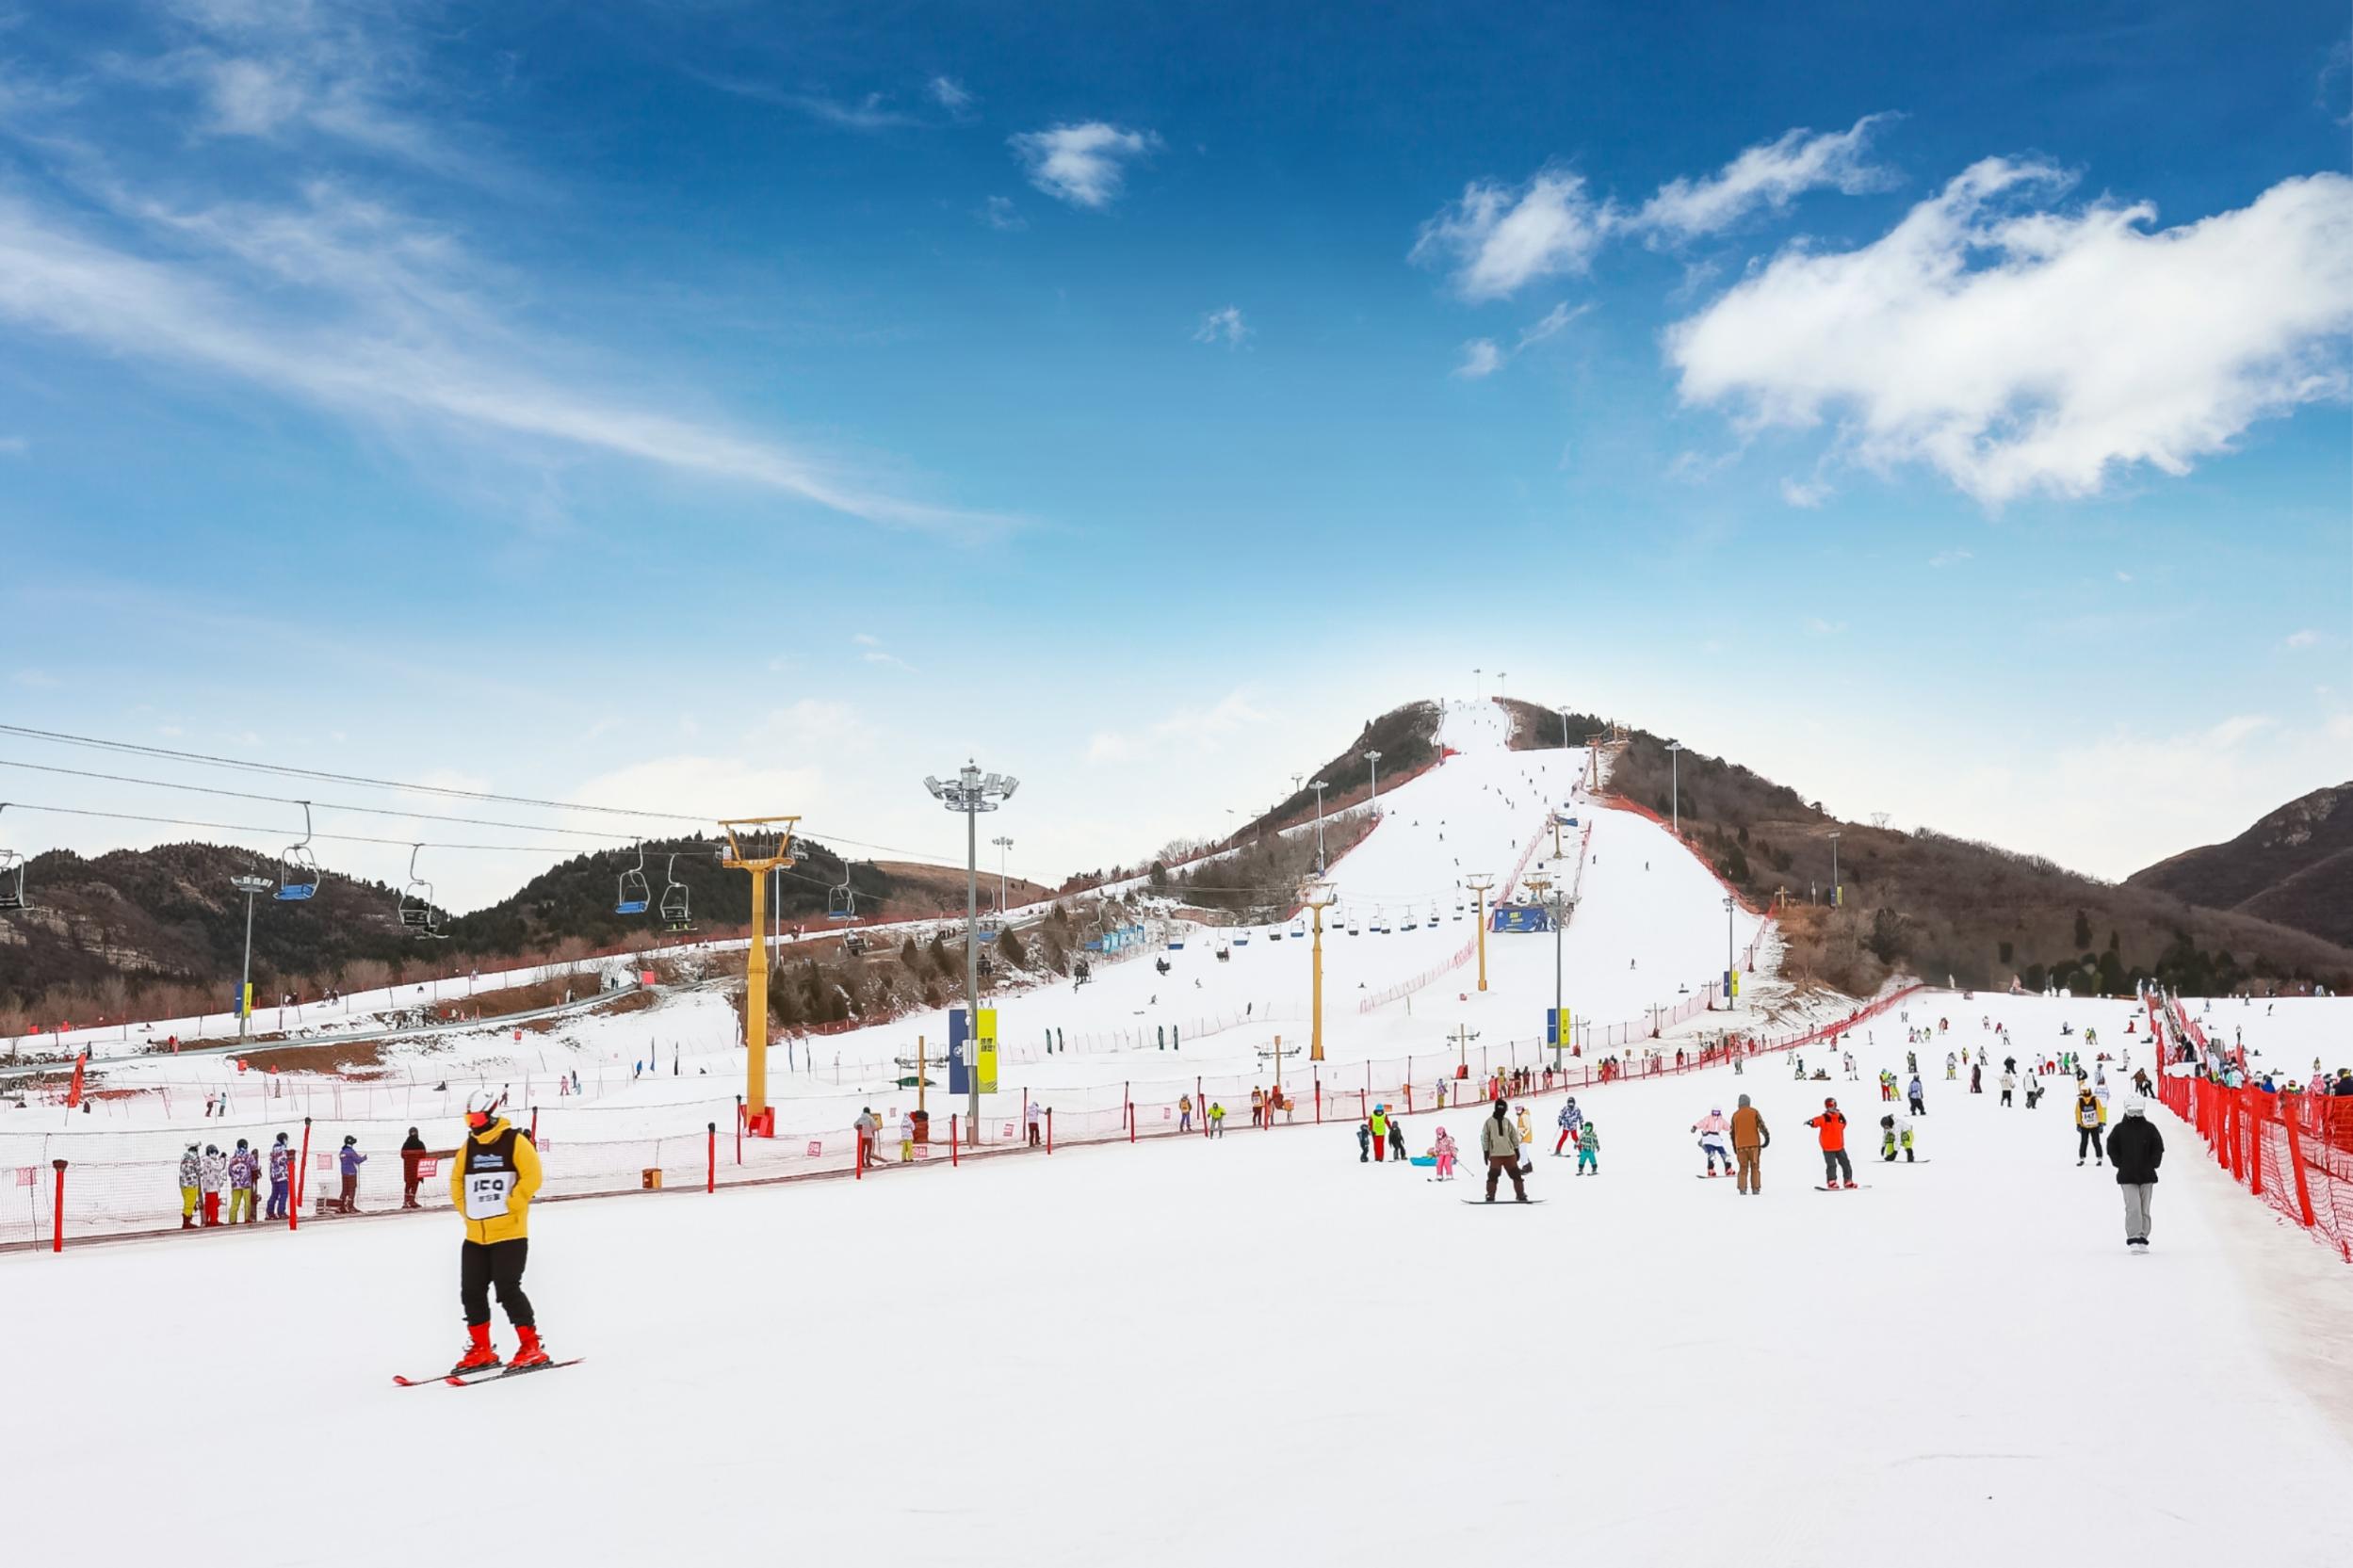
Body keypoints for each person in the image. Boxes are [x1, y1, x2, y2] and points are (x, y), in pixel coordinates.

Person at [448, 1091, 549, 1374]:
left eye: (477, 1118)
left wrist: (514, 1201)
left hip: (509, 1234)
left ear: (491, 1115)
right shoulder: (469, 1146)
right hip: (475, 1235)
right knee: (471, 1292)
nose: (472, 1124)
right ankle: (482, 1350)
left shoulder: (514, 1141)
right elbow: (457, 1178)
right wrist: (464, 1207)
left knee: (507, 1289)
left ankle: (531, 1346)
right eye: (469, 1118)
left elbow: (533, 1174)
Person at [2107, 1097, 2164, 1251]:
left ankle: (2143, 1237)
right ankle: (2133, 1237)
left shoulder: (2150, 1128)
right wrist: (2119, 1162)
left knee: (2144, 1208)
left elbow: (2158, 1147)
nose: (2135, 1113)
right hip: (2127, 1175)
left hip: (2146, 1175)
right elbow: (2111, 1146)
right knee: (2133, 1207)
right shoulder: (2119, 1129)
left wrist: (2154, 1163)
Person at [1480, 1099, 1528, 1203]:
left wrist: (1516, 1149)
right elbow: (1485, 1137)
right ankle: (1490, 1195)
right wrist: (1486, 1151)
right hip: (1495, 1154)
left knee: (1516, 1175)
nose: (1501, 1110)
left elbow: (1513, 1136)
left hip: (1509, 1154)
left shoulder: (1507, 1122)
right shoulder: (1489, 1122)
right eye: (1499, 1108)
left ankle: (1521, 1194)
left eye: (1503, 1108)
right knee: (1493, 1175)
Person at [1806, 1098, 1854, 1189]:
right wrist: (1812, 1122)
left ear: (1835, 1105)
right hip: (1828, 1147)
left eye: (1832, 1106)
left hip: (1839, 1146)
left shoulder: (1840, 1116)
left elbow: (1843, 1124)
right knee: (1832, 1165)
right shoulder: (1825, 1117)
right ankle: (1832, 1182)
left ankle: (1848, 1181)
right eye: (1828, 1106)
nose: (1831, 1108)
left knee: (1846, 1163)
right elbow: (1817, 1121)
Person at [1730, 1094, 1768, 1195]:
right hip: (1754, 1146)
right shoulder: (1754, 1112)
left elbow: (1732, 1134)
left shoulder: (1735, 1115)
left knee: (1743, 1168)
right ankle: (1755, 1188)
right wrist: (1767, 1139)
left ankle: (1742, 1189)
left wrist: (1735, 1148)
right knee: (1755, 1167)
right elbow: (1762, 1126)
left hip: (1740, 1147)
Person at [1692, 1107, 1734, 1177]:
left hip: (1717, 1139)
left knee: (1725, 1155)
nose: (1715, 1114)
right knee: (1712, 1155)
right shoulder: (1708, 1118)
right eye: (1714, 1112)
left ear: (1720, 1112)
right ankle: (1711, 1170)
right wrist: (1695, 1127)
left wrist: (1733, 1128)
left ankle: (1728, 1169)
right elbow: (1701, 1123)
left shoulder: (1721, 1120)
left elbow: (1727, 1126)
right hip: (1708, 1138)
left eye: (1717, 1112)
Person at [226, 1139, 258, 1224]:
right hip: (246, 1183)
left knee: (235, 1202)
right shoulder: (248, 1156)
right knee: (247, 1202)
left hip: (235, 1184)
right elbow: (254, 1166)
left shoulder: (233, 1158)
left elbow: (229, 1172)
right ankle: (247, 1218)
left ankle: (232, 1219)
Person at [2074, 1087, 2104, 1167]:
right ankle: (2081, 1158)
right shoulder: (2080, 1101)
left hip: (2095, 1126)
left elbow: (2100, 1111)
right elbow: (2077, 1113)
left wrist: (2101, 1123)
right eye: (2083, 1091)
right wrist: (2078, 1124)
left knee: (2096, 1142)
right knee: (2084, 1142)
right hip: (2084, 1126)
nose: (2084, 1093)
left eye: (2085, 1091)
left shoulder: (2095, 1100)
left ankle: (2099, 1158)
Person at [199, 1142, 228, 1225]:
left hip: (207, 1187)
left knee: (208, 1204)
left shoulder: (205, 1161)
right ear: (209, 1153)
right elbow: (220, 1167)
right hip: (213, 1187)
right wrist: (222, 1159)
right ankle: (213, 1220)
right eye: (213, 1152)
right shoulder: (210, 1161)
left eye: (215, 1153)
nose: (214, 1154)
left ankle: (207, 1220)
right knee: (214, 1205)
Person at [265, 1131, 291, 1220]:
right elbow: (284, 1161)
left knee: (274, 1194)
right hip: (282, 1176)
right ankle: (281, 1211)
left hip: (274, 1176)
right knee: (284, 1194)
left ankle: (270, 1211)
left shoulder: (273, 1150)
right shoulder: (283, 1150)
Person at [336, 1135, 366, 1213]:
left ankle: (341, 1206)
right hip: (352, 1173)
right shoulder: (351, 1152)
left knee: (344, 1190)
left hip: (344, 1173)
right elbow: (358, 1160)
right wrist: (364, 1158)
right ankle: (350, 1206)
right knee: (352, 1189)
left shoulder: (342, 1152)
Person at [401, 1126, 428, 1209]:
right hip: (417, 1167)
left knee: (408, 1183)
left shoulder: (406, 1144)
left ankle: (406, 1201)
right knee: (415, 1183)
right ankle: (412, 1200)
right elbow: (424, 1155)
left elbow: (402, 1155)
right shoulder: (420, 1143)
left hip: (408, 1168)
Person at [178, 1143, 202, 1230]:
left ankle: (187, 1221)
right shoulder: (195, 1157)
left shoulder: (184, 1156)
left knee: (187, 1202)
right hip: (192, 1183)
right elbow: (199, 1170)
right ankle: (186, 1223)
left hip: (182, 1183)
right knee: (190, 1203)